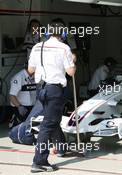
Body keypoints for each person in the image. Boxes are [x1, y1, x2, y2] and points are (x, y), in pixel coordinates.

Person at [28, 19, 76, 173]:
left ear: (48, 32)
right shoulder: (64, 48)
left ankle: (61, 148)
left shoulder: (37, 46)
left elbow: (30, 70)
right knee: (48, 124)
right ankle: (39, 161)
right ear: (63, 34)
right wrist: (73, 61)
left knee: (53, 119)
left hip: (40, 89)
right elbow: (71, 72)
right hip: (54, 89)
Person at [9, 63, 37, 128]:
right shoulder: (19, 77)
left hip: (33, 107)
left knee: (35, 128)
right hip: (22, 108)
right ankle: (14, 120)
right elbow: (12, 95)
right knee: (22, 128)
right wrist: (19, 107)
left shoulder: (36, 76)